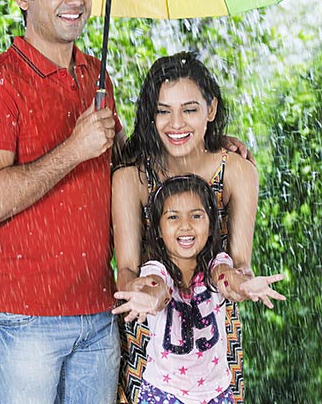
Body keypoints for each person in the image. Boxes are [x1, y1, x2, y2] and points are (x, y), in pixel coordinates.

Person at [0, 0, 123, 404]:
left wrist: (207, 148)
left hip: (98, 313)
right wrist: (73, 149)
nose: (77, 0)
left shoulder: (98, 76)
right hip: (22, 318)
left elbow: (125, 169)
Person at [112, 52, 260, 403]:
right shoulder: (131, 178)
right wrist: (144, 293)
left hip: (213, 353)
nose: (176, 124)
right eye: (164, 110)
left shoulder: (237, 172)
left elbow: (238, 265)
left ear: (210, 110)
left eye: (189, 110)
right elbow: (126, 269)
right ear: (151, 114)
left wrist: (243, 285)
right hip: (147, 343)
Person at [112, 174, 284, 404]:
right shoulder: (157, 269)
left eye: (196, 216)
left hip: (216, 393)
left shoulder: (216, 264)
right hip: (163, 393)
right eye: (173, 217)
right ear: (159, 231)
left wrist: (243, 285)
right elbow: (158, 288)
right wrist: (148, 298)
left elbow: (226, 278)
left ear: (212, 225)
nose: (185, 225)